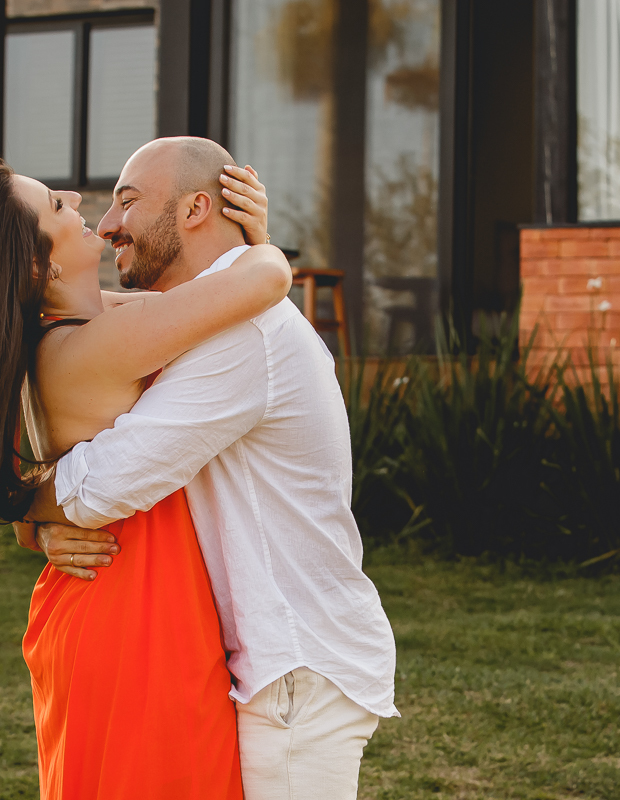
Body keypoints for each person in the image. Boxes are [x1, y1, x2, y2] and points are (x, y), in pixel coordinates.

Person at [0, 155, 288, 799]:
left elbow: (170, 303)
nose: (75, 196)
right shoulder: (109, 341)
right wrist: (255, 238)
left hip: (104, 595)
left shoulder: (73, 332)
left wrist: (31, 516)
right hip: (134, 613)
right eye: (57, 205)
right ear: (41, 267)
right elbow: (266, 280)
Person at [21, 136, 399, 800]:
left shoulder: (242, 334)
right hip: (263, 661)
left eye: (127, 201)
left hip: (292, 672)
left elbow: (104, 484)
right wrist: (260, 255)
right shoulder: (202, 317)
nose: (107, 224)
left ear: (196, 209)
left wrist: (18, 505)